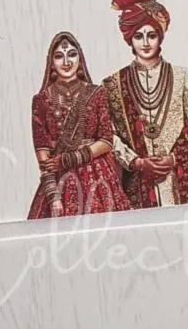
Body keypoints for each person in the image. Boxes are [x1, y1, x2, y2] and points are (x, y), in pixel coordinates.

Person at [102, 0, 188, 207]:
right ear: (130, 39)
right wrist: (137, 162)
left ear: (160, 37)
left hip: (176, 180)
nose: (145, 43)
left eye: (151, 35)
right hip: (136, 182)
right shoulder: (113, 84)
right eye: (138, 36)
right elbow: (107, 133)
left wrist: (175, 158)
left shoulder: (180, 76)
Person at [28, 31, 131, 220]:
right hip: (59, 181)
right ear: (51, 63)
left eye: (72, 54)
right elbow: (43, 156)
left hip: (97, 176)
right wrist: (53, 196)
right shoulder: (41, 101)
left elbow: (106, 141)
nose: (66, 62)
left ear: (80, 58)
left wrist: (69, 159)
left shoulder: (97, 94)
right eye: (59, 56)